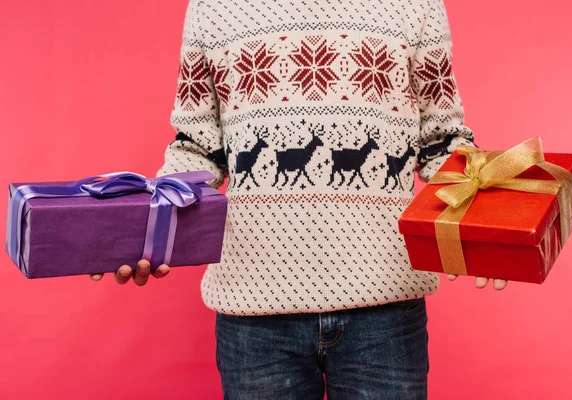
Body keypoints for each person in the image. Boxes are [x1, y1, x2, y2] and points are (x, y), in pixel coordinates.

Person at [91, 0, 507, 398]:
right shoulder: (212, 6)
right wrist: (138, 234)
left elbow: (442, 144)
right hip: (254, 315)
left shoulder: (417, 4)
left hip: (387, 311)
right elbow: (197, 149)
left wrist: (490, 226)